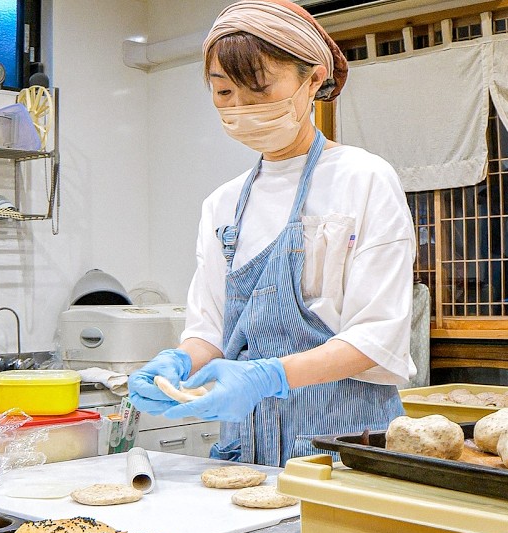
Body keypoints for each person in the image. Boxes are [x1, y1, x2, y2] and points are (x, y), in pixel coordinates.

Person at [128, 0, 416, 465]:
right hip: (246, 449)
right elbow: (211, 330)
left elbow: (376, 334)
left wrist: (267, 376)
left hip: (342, 450)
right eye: (223, 93)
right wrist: (179, 364)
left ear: (313, 78)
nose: (240, 108)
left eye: (258, 88)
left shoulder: (362, 178)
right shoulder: (223, 204)